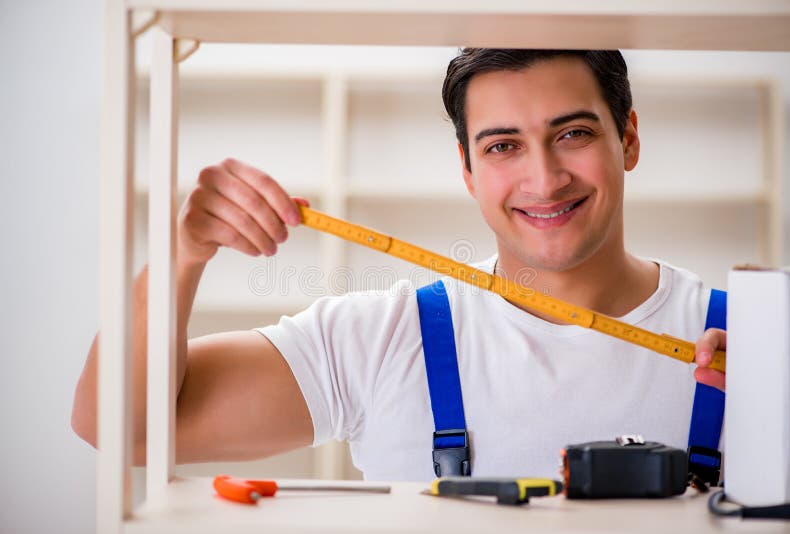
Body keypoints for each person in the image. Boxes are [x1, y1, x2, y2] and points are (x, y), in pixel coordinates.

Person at [71, 48, 726, 481]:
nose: (544, 177)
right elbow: (118, 430)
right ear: (467, 170)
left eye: (573, 134)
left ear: (629, 139)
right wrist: (181, 258)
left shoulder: (750, 344)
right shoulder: (381, 341)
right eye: (502, 146)